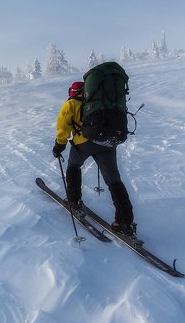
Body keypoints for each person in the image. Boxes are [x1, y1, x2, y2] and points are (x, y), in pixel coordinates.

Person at [51, 80, 136, 237]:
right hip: (107, 143)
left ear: (73, 91)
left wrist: (59, 146)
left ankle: (73, 200)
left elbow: (63, 128)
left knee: (73, 165)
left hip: (83, 144)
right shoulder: (102, 103)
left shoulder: (71, 104)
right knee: (114, 180)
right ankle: (125, 221)